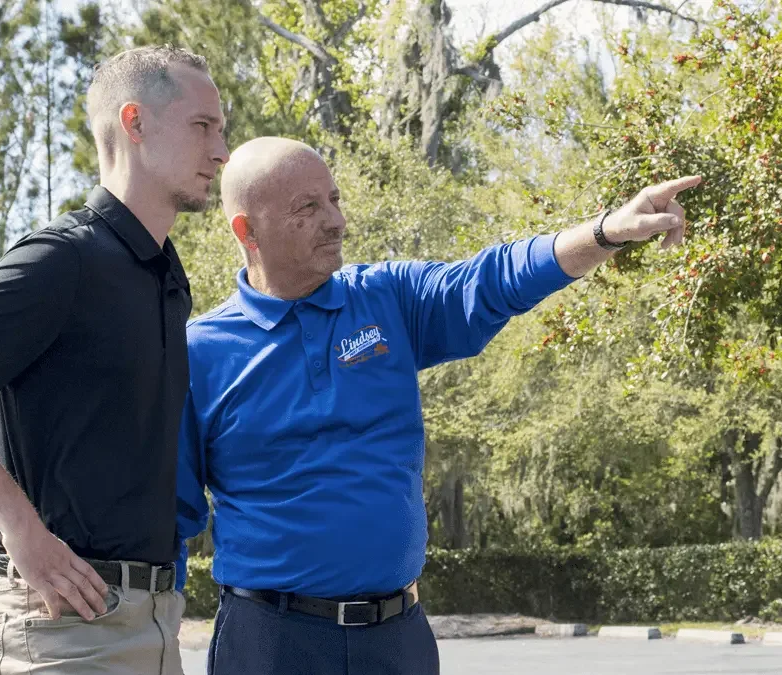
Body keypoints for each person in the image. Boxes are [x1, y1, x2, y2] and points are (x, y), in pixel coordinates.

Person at [174, 136, 701, 674]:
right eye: (308, 208)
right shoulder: (199, 354)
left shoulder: (389, 299)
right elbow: (170, 515)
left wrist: (604, 232)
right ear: (247, 230)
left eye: (334, 199)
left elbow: (493, 278)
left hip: (397, 640)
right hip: (269, 644)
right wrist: (153, 635)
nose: (337, 221)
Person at [0, 45, 228, 675]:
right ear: (134, 123)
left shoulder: (163, 278)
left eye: (221, 130)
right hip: (59, 630)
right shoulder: (64, 258)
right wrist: (21, 529)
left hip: (153, 625)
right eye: (203, 126)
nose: (221, 151)